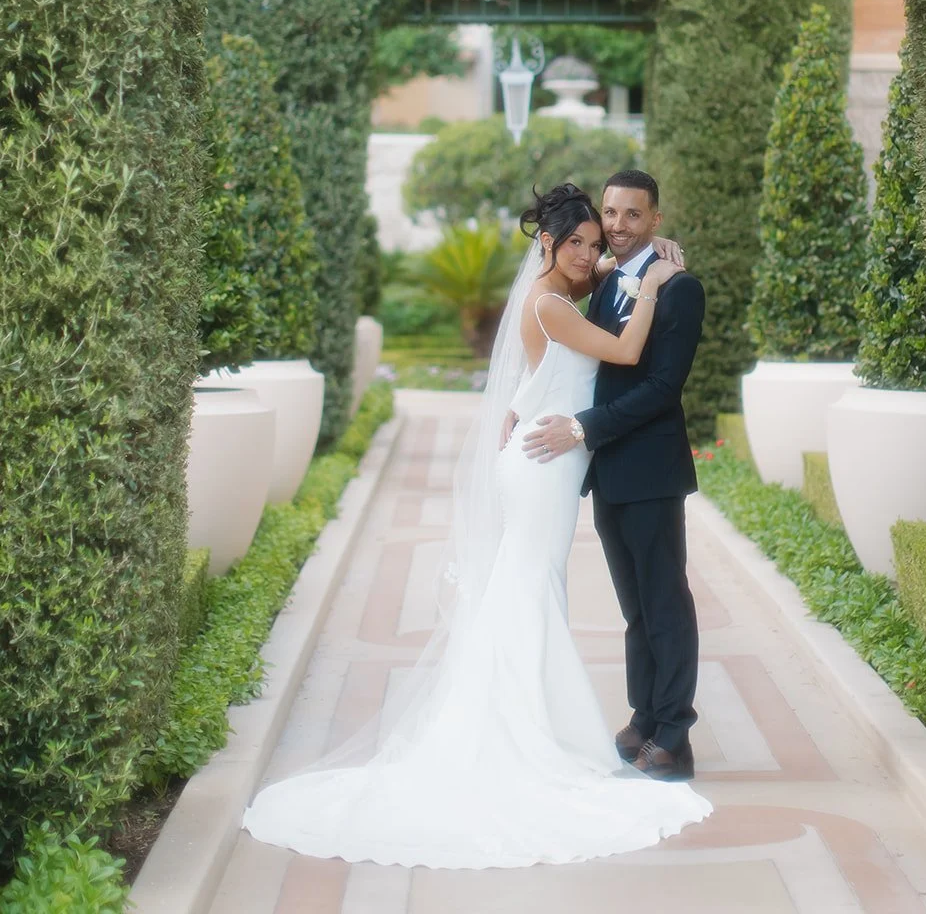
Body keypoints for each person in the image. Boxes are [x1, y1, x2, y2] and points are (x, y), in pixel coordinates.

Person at [241, 182, 711, 868]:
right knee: (544, 587)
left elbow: (638, 370)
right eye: (588, 229)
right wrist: (644, 282)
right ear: (547, 243)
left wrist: (645, 274)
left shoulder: (610, 281)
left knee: (611, 594)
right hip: (552, 461)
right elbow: (616, 354)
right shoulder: (561, 296)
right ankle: (552, 731)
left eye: (617, 221)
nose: (601, 238)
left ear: (651, 220)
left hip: (581, 458)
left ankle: (658, 729)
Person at [520, 169, 705, 781]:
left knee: (665, 601)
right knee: (634, 606)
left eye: (632, 215)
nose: (618, 227)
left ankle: (675, 734)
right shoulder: (605, 280)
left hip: (650, 469)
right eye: (611, 215)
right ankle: (645, 715)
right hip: (608, 472)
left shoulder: (679, 289)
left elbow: (659, 388)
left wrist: (582, 428)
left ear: (655, 219)